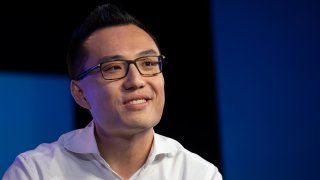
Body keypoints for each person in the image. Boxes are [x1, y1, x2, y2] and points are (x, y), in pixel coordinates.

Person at [3, 4, 222, 180]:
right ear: (80, 93)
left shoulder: (198, 173)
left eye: (148, 63)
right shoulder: (34, 172)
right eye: (114, 68)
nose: (136, 80)